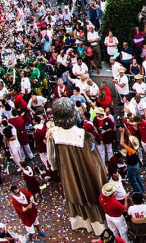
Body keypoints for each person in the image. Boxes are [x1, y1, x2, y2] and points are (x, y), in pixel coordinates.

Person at [46, 98, 109, 234]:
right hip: (86, 172)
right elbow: (97, 164)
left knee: (74, 190)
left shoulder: (53, 134)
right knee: (89, 192)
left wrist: (56, 169)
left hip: (67, 171)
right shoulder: (85, 137)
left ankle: (80, 221)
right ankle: (97, 225)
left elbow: (51, 158)